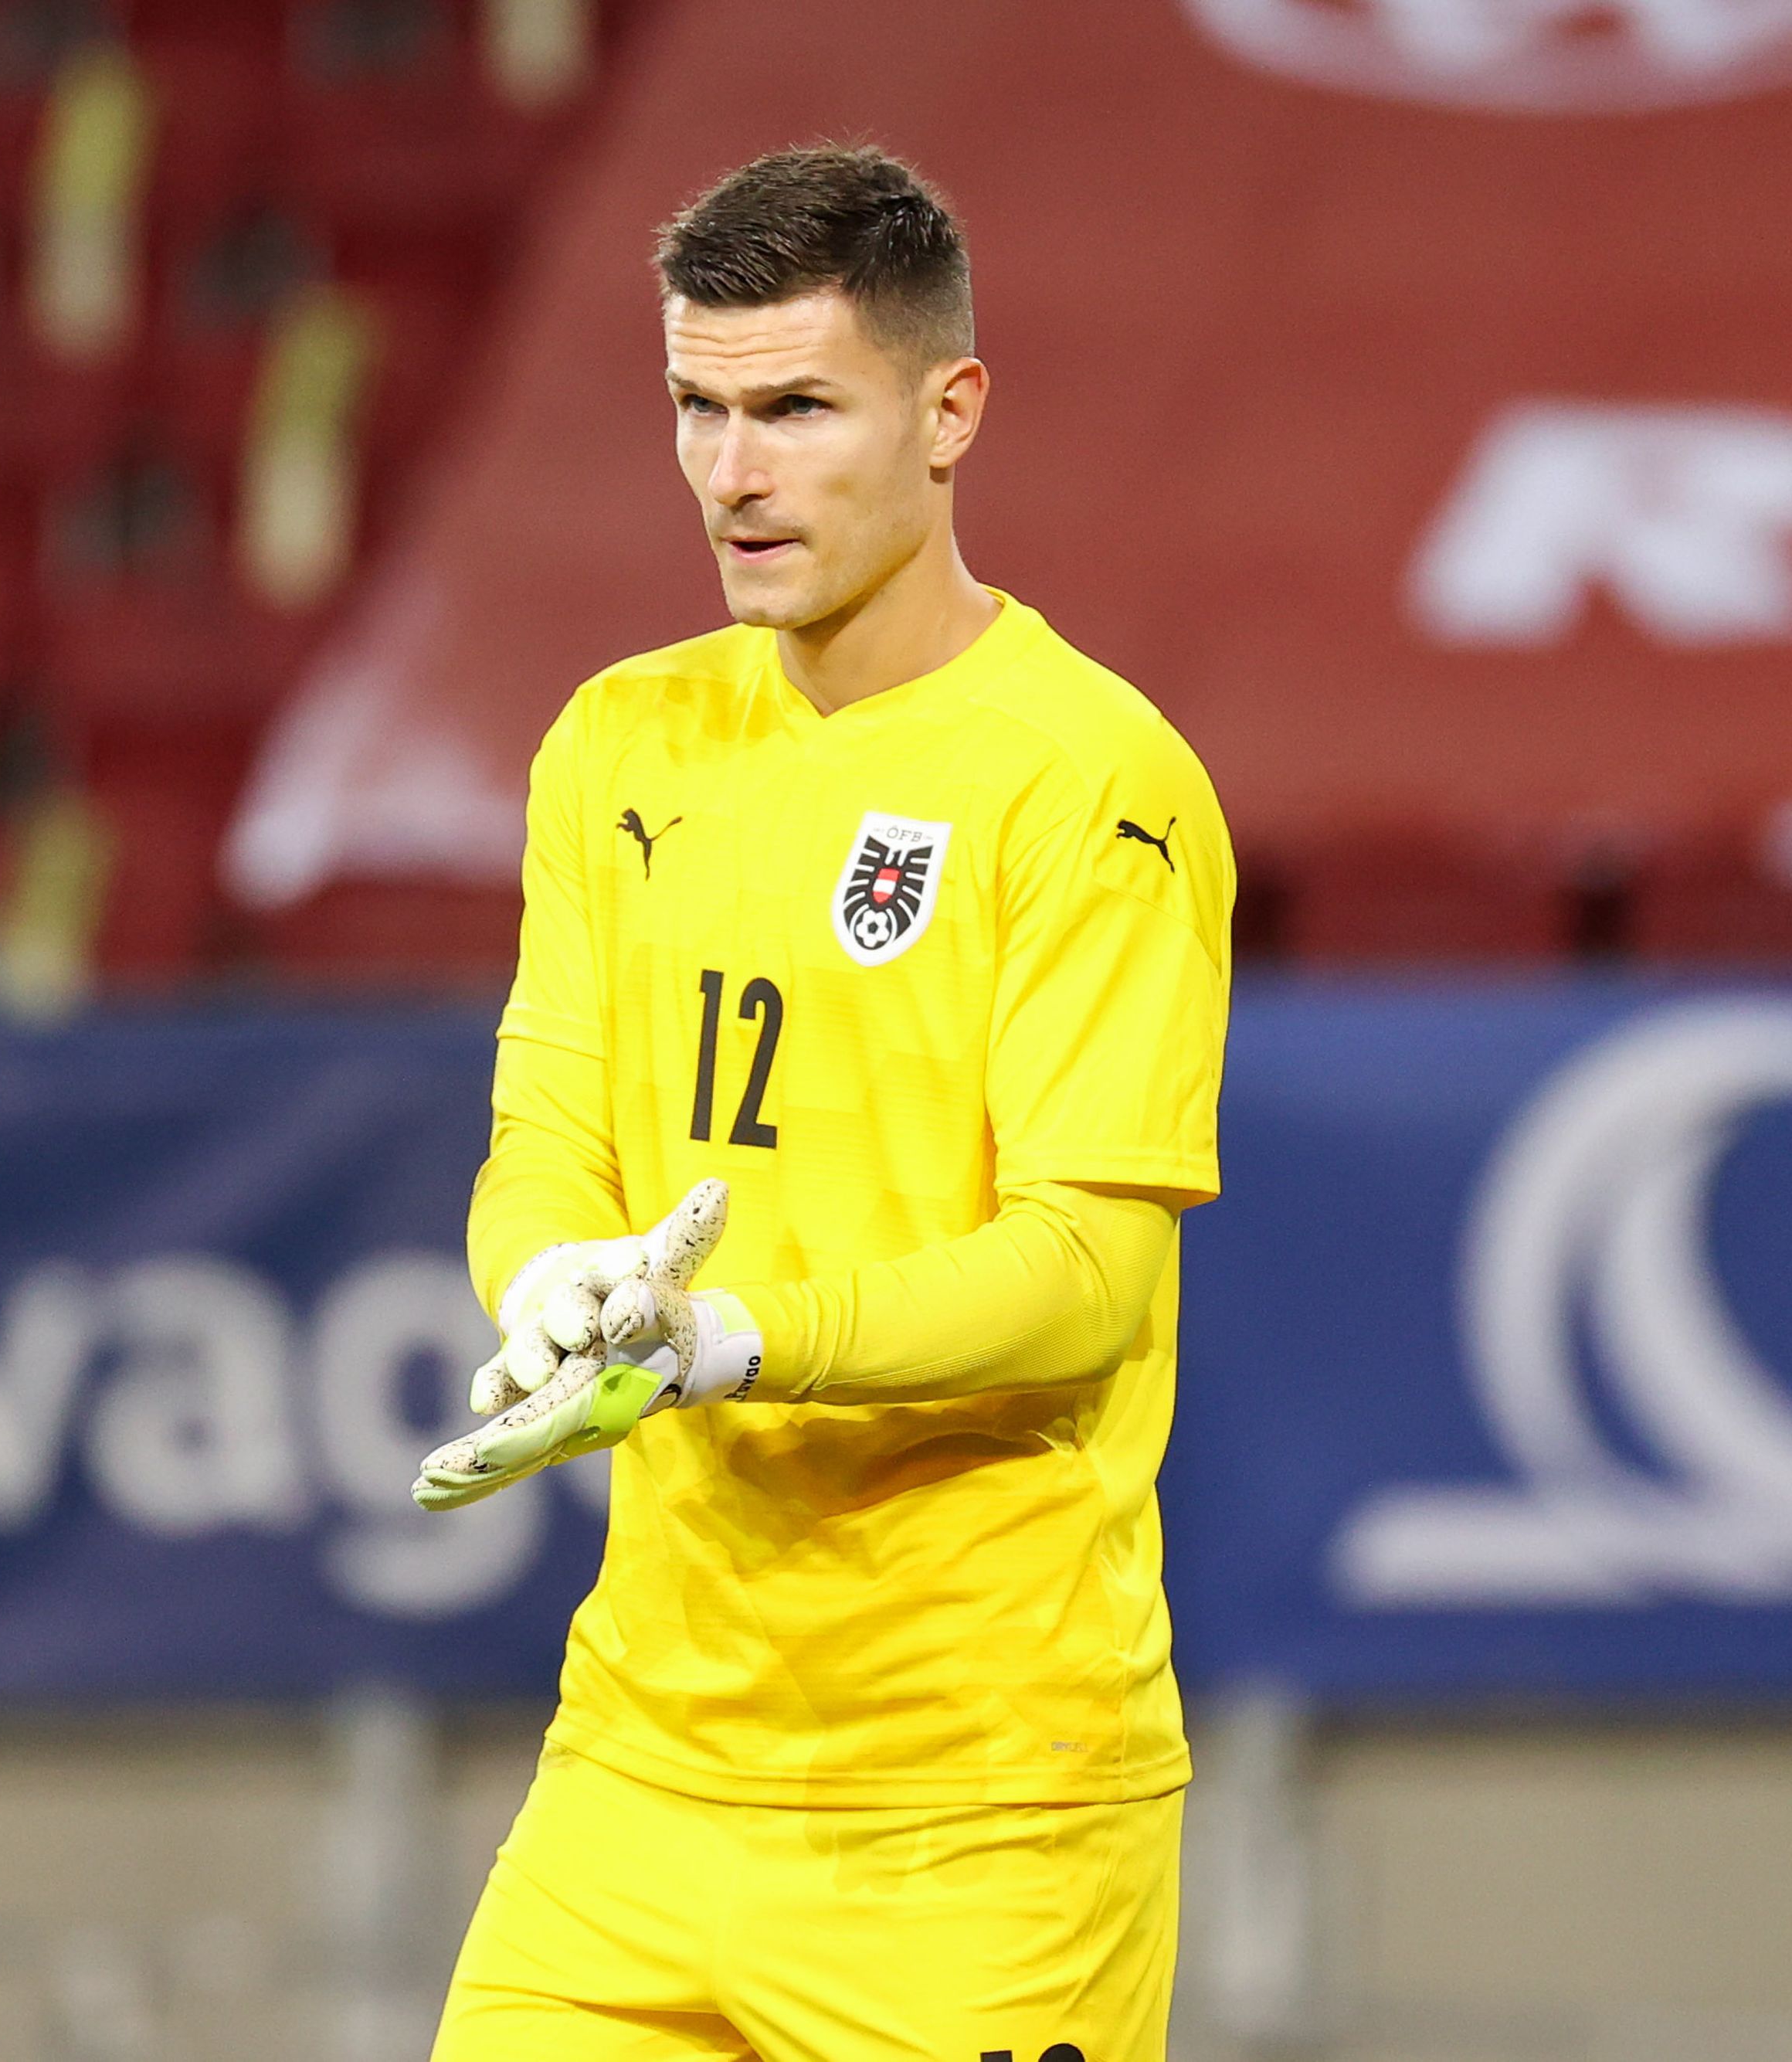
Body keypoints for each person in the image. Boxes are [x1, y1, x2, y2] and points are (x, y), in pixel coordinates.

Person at [412, 146, 1234, 2062]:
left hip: (976, 1815)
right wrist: (548, 1286)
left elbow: (1079, 1276)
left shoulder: (1085, 782)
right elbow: (544, 1138)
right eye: (696, 407)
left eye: (792, 408)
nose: (729, 471)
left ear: (948, 413)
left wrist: (728, 1344)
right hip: (637, 1772)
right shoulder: (620, 741)